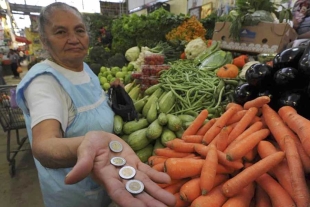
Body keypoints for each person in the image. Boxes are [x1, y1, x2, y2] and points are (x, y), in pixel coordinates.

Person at [15, 2, 175, 207]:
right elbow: (44, 145)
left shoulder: (83, 68)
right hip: (74, 196)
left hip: (106, 180)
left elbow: (90, 103)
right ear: (45, 42)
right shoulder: (44, 83)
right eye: (61, 32)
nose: (73, 39)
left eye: (79, 30)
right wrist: (86, 145)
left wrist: (115, 94)